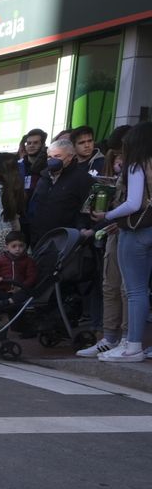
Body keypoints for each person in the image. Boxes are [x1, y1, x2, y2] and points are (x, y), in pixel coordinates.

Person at [91, 121, 152, 363]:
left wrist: (107, 215)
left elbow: (133, 203)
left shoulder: (137, 165)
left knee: (135, 290)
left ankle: (133, 345)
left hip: (136, 230)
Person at [0, 232, 38, 325]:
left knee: (26, 294)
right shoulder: (0, 260)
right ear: (7, 247)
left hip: (20, 291)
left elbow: (32, 277)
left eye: (21, 246)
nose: (18, 249)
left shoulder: (28, 261)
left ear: (25, 246)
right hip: (4, 290)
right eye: (14, 246)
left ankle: (5, 303)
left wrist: (21, 287)